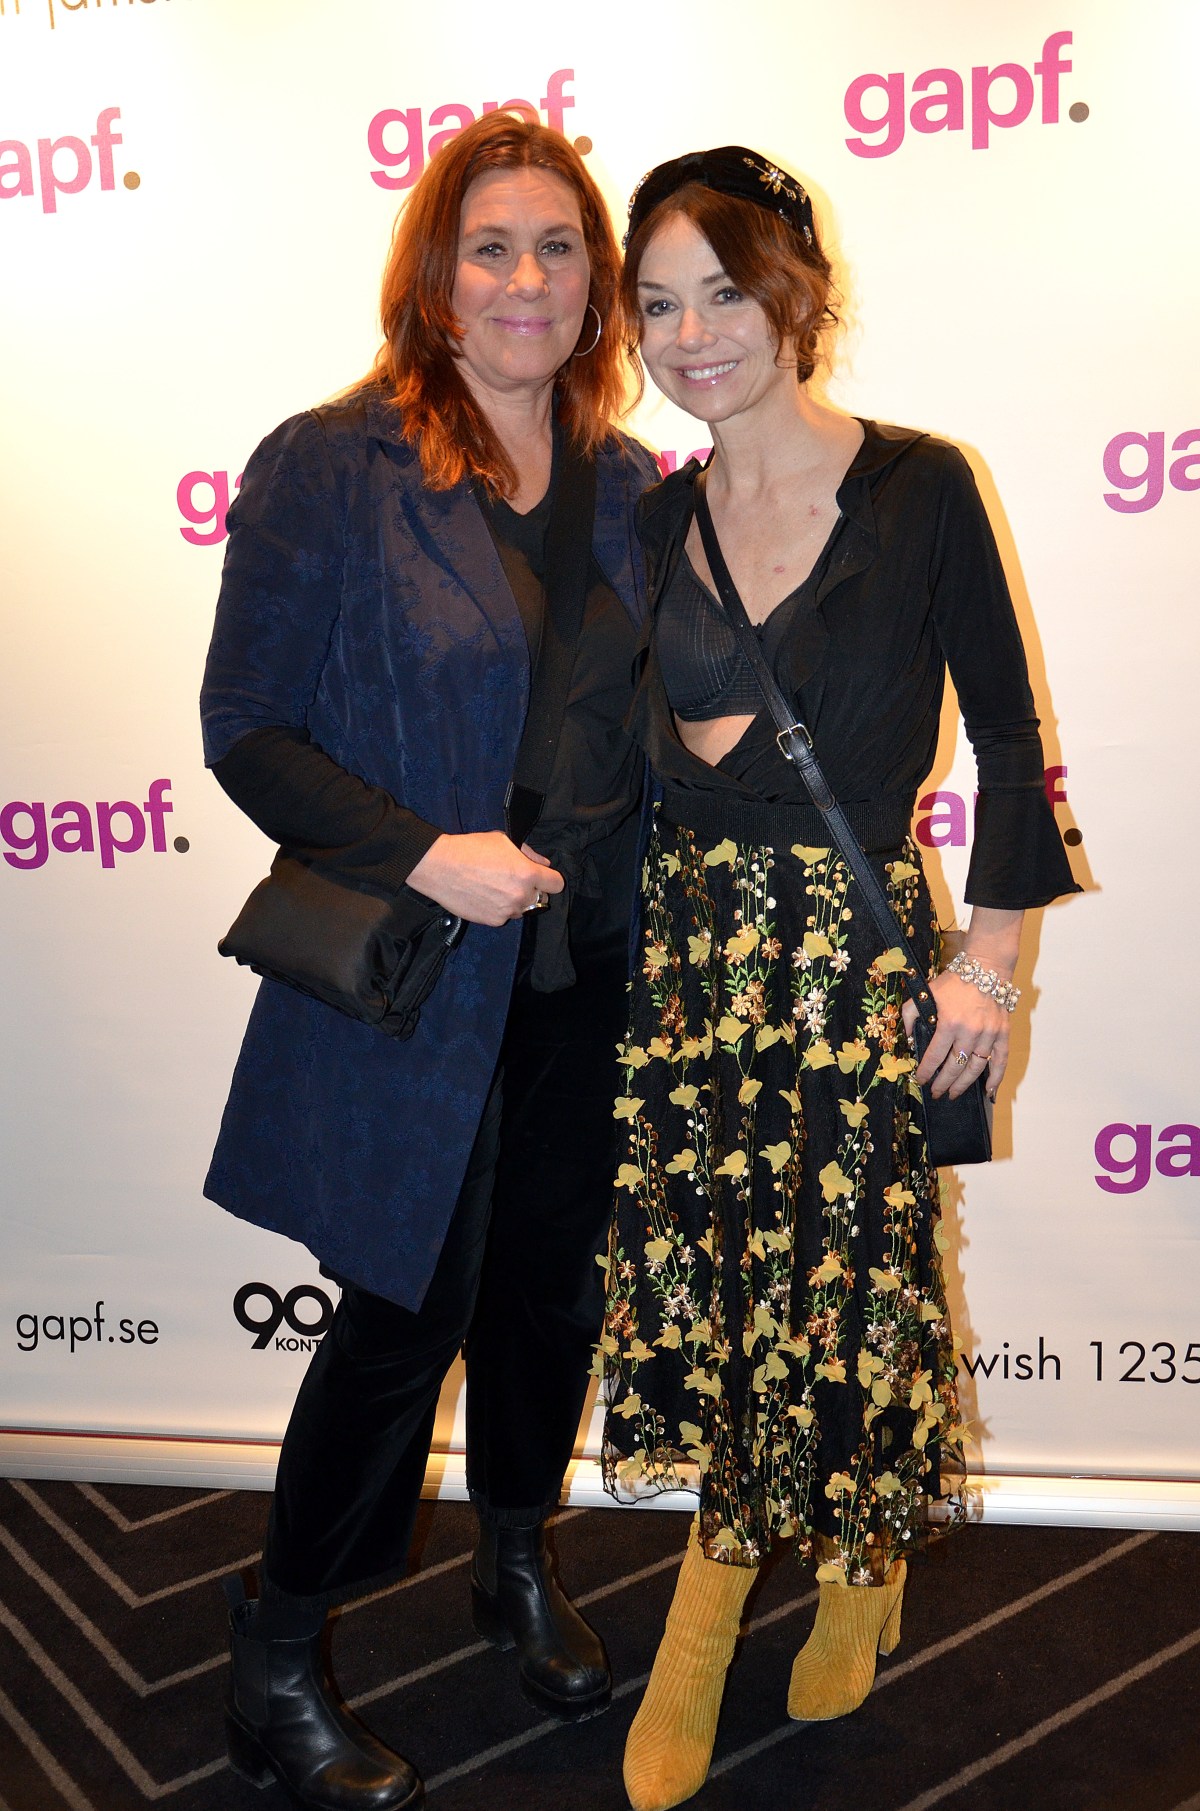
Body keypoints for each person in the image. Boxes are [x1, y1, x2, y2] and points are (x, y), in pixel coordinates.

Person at [599, 146, 1080, 1811]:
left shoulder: (922, 486)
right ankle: (777, 1577)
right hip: (691, 968)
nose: (692, 334)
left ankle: (793, 1589)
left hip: (851, 961)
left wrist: (989, 971)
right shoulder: (652, 517)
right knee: (729, 1289)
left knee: (852, 1285)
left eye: (725, 292)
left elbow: (1010, 739)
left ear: (798, 294)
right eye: (658, 304)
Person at [199, 112, 658, 1811]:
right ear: (436, 277)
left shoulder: (630, 481)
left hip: (586, 977)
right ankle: (275, 1654)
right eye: (492, 247)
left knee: (552, 1296)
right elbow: (247, 730)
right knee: (404, 1320)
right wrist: (424, 851)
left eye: (559, 247)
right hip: (422, 988)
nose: (528, 279)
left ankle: (513, 1563)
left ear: (595, 280)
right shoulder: (335, 464)